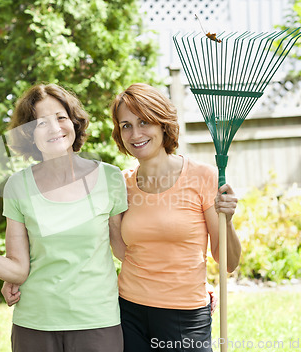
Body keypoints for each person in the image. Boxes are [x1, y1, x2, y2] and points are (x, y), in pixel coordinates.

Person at [0, 83, 128, 352]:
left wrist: (187, 280)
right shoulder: (18, 186)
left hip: (97, 322)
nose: (55, 128)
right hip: (35, 324)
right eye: (41, 123)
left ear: (74, 122)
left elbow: (126, 251)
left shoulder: (110, 177)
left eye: (60, 117)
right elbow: (18, 269)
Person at [109, 83, 241, 352]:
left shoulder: (203, 177)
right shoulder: (121, 184)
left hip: (185, 315)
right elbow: (122, 251)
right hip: (129, 312)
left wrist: (226, 220)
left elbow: (229, 263)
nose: (135, 133)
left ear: (162, 124)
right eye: (126, 125)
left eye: (144, 121)